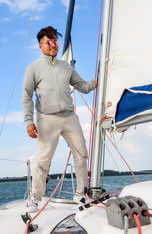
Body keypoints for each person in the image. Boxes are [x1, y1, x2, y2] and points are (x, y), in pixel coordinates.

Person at [22, 26, 96, 213]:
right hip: (47, 118)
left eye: (55, 41)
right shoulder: (33, 68)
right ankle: (35, 198)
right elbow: (26, 96)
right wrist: (29, 122)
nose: (54, 44)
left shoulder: (66, 67)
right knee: (43, 160)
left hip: (69, 117)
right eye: (50, 41)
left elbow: (84, 87)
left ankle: (80, 193)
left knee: (81, 154)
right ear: (41, 45)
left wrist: (99, 80)